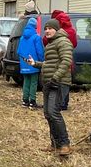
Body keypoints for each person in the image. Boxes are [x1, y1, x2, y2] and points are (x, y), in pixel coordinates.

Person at [27, 19, 74, 156]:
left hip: (59, 82)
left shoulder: (63, 42)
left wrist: (56, 77)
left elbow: (66, 61)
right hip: (49, 82)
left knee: (54, 112)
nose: (47, 31)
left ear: (56, 29)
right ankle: (54, 144)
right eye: (45, 28)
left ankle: (65, 144)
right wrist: (35, 63)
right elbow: (49, 64)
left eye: (50, 28)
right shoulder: (52, 43)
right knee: (48, 114)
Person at [43, 10, 78, 110]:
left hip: (58, 60)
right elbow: (74, 44)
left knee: (60, 82)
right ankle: (64, 103)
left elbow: (45, 41)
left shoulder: (58, 31)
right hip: (67, 59)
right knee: (65, 81)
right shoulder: (71, 30)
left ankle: (59, 104)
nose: (47, 30)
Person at [18, 17, 44, 108]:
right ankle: (32, 101)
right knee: (33, 82)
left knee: (26, 81)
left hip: (24, 62)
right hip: (34, 63)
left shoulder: (22, 37)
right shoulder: (36, 37)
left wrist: (23, 61)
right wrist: (41, 61)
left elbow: (19, 51)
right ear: (35, 26)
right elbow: (40, 51)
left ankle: (25, 101)